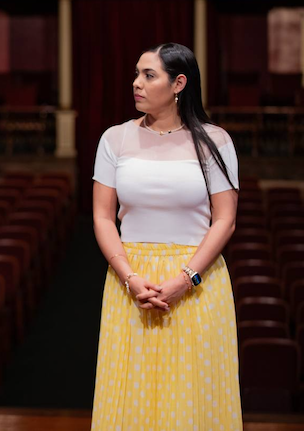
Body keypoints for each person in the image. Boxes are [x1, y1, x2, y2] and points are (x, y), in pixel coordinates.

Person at [91, 43, 241, 430]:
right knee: (131, 396)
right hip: (131, 282)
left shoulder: (215, 140)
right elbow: (103, 217)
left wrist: (185, 279)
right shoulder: (114, 139)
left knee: (192, 400)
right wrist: (129, 277)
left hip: (196, 281)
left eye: (148, 75)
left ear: (179, 83)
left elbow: (225, 220)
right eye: (136, 74)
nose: (136, 83)